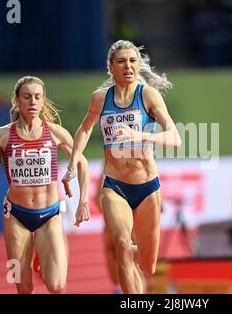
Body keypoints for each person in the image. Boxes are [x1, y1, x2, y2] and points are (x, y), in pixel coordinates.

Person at [64, 40, 181, 294]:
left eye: (132, 61)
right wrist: (73, 160)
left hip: (148, 186)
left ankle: (140, 253)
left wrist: (141, 136)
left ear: (138, 66)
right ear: (110, 67)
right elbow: (85, 128)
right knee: (121, 245)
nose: (128, 66)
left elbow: (175, 138)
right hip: (114, 185)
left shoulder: (148, 94)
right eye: (121, 61)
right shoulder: (99, 99)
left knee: (148, 265)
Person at [0, 76, 90, 294]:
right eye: (27, 97)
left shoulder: (56, 133)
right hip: (15, 216)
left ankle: (41, 256)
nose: (32, 102)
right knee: (23, 287)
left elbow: (82, 163)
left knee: (57, 285)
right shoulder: (0, 136)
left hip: (49, 215)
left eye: (37, 97)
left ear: (43, 101)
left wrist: (83, 201)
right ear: (17, 101)